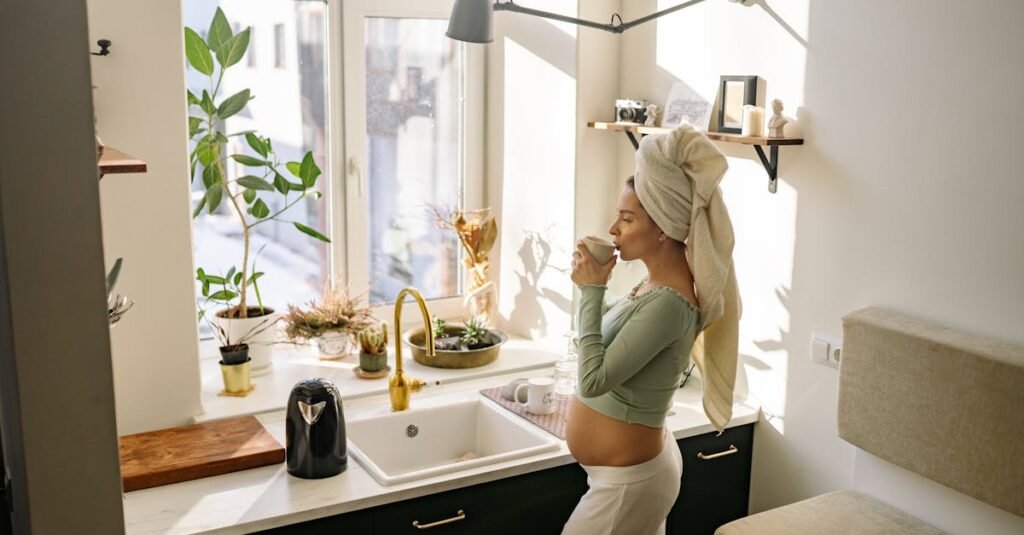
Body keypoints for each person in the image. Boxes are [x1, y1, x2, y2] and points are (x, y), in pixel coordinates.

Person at [563, 124, 742, 535]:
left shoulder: (670, 304)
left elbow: (593, 380)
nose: (613, 229)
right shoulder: (653, 288)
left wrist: (591, 290)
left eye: (626, 219)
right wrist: (592, 288)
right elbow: (608, 349)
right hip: (625, 477)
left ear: (662, 226)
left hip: (628, 485)